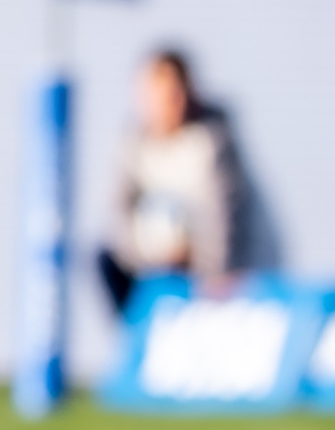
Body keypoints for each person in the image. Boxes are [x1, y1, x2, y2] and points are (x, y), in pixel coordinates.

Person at [99, 49, 261, 316]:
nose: (168, 104)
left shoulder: (211, 141)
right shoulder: (134, 143)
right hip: (162, 263)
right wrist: (148, 257)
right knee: (106, 261)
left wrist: (213, 272)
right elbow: (119, 212)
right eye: (158, 95)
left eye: (175, 94)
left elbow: (227, 220)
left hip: (221, 266)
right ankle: (137, 330)